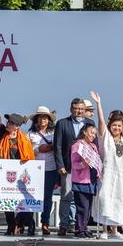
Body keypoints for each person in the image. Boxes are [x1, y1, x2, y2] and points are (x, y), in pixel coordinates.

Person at [90, 91, 123, 240]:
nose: (117, 128)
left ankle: (115, 230)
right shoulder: (105, 138)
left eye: (119, 126)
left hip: (121, 176)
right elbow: (100, 122)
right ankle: (105, 230)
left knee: (118, 201)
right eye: (114, 125)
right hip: (107, 174)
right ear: (110, 125)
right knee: (105, 199)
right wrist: (99, 104)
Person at [54, 98, 96, 236]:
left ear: (85, 110)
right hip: (67, 166)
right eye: (77, 108)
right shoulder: (62, 123)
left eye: (82, 109)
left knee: (83, 199)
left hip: (85, 169)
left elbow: (94, 145)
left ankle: (80, 225)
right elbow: (58, 146)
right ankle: (64, 225)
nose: (79, 111)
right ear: (71, 109)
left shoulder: (90, 123)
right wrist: (60, 165)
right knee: (66, 196)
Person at [0, 113, 35, 236]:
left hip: (21, 175)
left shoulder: (24, 139)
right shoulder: (3, 137)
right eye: (8, 122)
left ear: (17, 127)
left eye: (11, 123)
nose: (8, 124)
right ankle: (11, 225)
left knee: (24, 201)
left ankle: (30, 224)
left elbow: (30, 157)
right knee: (6, 201)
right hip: (7, 174)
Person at [28, 106, 57, 235]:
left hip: (50, 168)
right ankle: (29, 222)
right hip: (34, 169)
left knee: (47, 197)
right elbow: (26, 152)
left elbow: (60, 147)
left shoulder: (54, 133)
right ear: (36, 120)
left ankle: (45, 222)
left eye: (45, 117)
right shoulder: (30, 134)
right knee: (30, 196)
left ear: (49, 119)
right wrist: (38, 150)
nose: (42, 120)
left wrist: (51, 147)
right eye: (40, 117)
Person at [70, 123, 101, 238]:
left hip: (91, 181)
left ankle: (84, 227)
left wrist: (99, 173)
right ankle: (79, 230)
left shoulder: (93, 147)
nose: (93, 135)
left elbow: (97, 162)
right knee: (82, 207)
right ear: (84, 132)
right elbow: (74, 164)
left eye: (95, 134)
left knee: (88, 207)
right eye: (91, 132)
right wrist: (83, 163)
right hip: (80, 181)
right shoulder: (77, 145)